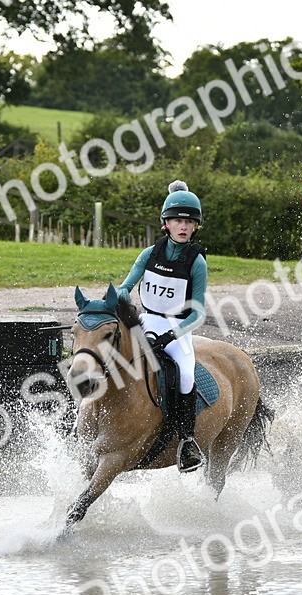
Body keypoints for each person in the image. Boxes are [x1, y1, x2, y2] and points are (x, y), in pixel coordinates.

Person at [117, 180, 209, 473]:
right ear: (166, 224)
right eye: (177, 221)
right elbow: (124, 288)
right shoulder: (149, 254)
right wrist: (113, 302)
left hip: (178, 328)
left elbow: (198, 314)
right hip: (146, 319)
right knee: (110, 352)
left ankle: (186, 443)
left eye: (188, 222)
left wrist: (172, 334)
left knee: (184, 375)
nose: (183, 227)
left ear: (195, 227)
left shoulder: (197, 263)